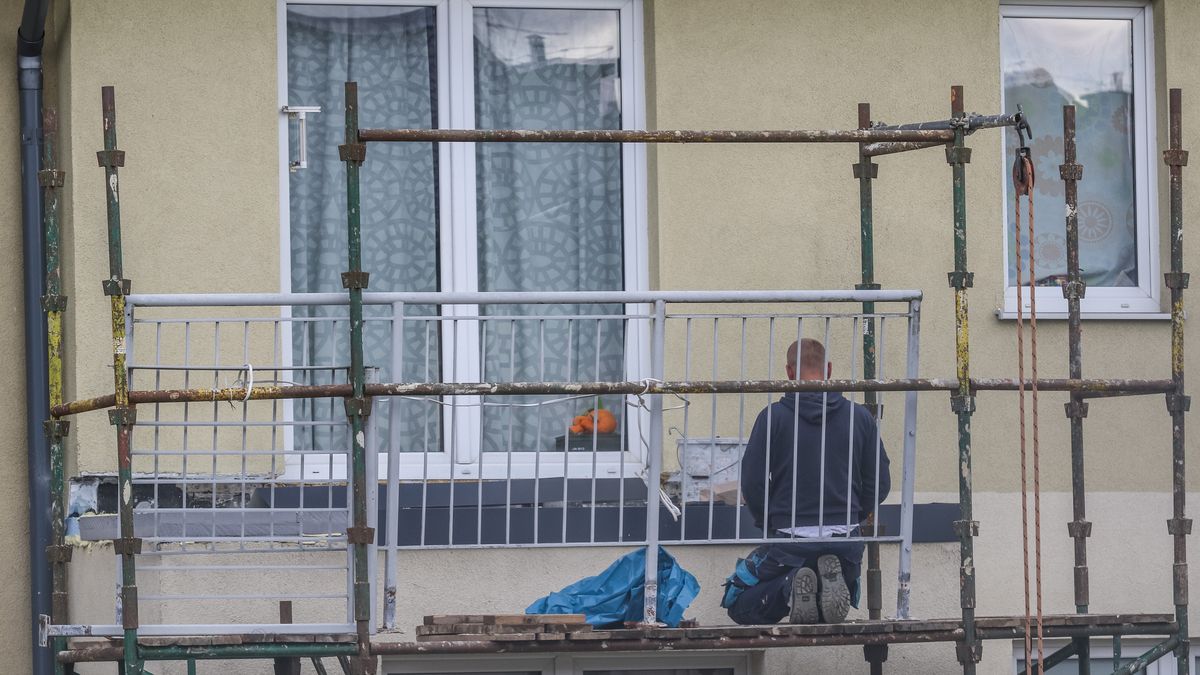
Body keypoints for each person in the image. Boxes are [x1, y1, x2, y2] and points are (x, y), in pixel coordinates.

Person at [721, 338, 891, 625]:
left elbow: (752, 481)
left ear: (789, 372)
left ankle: (790, 588)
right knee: (832, 597)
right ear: (828, 369)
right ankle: (829, 583)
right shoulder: (859, 417)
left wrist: (769, 520)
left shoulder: (772, 417)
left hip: (790, 541)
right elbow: (880, 482)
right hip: (844, 538)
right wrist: (855, 514)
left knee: (738, 604)